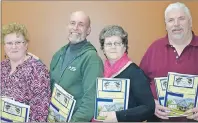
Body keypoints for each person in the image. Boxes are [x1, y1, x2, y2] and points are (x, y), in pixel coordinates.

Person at [140, 2, 198, 122]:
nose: (176, 24)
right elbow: (139, 84)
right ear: (166, 25)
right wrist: (151, 103)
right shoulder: (154, 48)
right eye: (171, 20)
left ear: (190, 22)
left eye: (181, 19)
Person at [92, 25, 155, 122]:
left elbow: (148, 107)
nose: (113, 47)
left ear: (124, 47)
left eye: (117, 43)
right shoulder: (99, 71)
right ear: (103, 49)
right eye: (109, 44)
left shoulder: (135, 72)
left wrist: (118, 116)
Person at [50, 11, 103, 122]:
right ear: (67, 27)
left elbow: (90, 102)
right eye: (72, 23)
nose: (75, 27)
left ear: (88, 30)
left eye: (81, 24)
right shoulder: (59, 54)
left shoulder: (91, 59)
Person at [1, 22, 51, 122]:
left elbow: (40, 113)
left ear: (26, 45)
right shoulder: (2, 66)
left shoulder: (37, 70)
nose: (14, 47)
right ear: (4, 46)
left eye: (18, 42)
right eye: (9, 43)